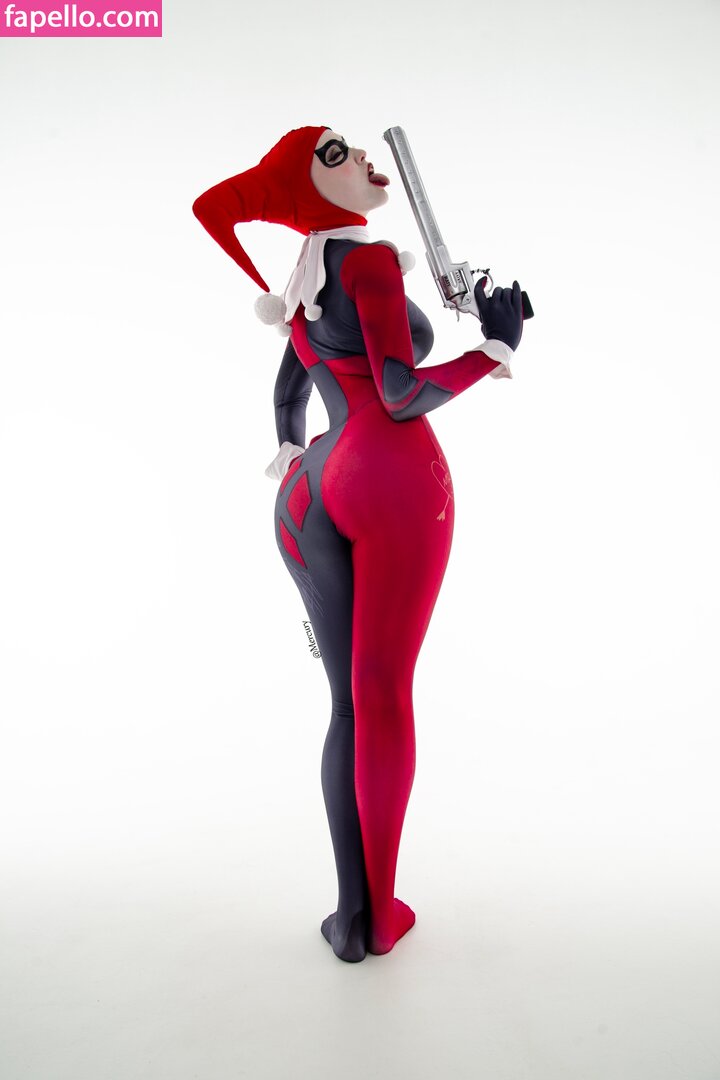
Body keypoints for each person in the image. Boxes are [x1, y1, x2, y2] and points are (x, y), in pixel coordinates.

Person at [192, 125, 525, 963]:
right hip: (392, 485)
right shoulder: (368, 263)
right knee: (384, 700)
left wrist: (295, 455)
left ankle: (349, 916)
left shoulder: (306, 278)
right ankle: (378, 920)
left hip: (308, 494)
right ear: (308, 187)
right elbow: (402, 395)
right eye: (336, 154)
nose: (367, 159)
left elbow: (288, 395)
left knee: (346, 706)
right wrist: (494, 348)